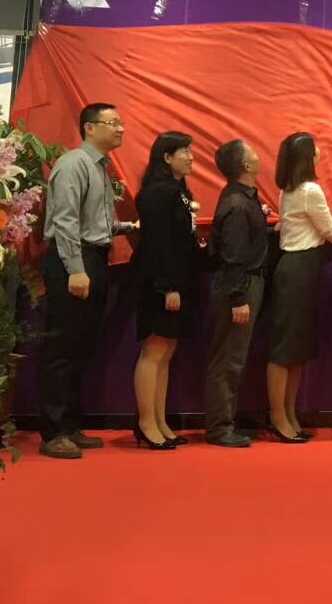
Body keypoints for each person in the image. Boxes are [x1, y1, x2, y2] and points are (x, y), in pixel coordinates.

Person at [38, 102, 136, 460]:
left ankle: (69, 426)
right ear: (89, 128)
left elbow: (97, 222)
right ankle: (52, 432)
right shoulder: (73, 164)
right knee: (62, 348)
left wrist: (127, 227)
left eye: (121, 123)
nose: (120, 129)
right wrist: (76, 269)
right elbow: (65, 221)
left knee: (80, 346)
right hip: (73, 260)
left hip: (93, 259)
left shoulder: (100, 168)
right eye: (113, 122)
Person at [269, 133, 332, 443]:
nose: (320, 151)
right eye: (315, 148)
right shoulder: (310, 190)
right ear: (308, 157)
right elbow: (331, 232)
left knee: (297, 347)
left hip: (299, 268)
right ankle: (279, 416)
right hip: (299, 267)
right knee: (285, 348)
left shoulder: (289, 189)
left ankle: (288, 413)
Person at [131, 131, 198, 451]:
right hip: (159, 281)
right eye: (184, 151)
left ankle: (160, 420)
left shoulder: (179, 190)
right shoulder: (157, 192)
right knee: (154, 350)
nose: (190, 157)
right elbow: (158, 244)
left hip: (178, 279)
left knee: (167, 351)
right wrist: (167, 287)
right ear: (167, 157)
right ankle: (146, 422)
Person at [205, 139, 269, 449]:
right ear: (245, 166)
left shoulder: (244, 198)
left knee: (235, 357)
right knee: (229, 358)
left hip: (246, 282)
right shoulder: (237, 204)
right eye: (253, 153)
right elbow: (232, 256)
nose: (258, 156)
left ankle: (227, 418)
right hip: (240, 285)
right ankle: (220, 427)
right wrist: (239, 298)